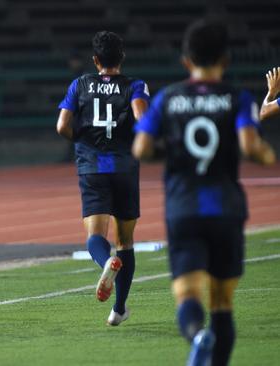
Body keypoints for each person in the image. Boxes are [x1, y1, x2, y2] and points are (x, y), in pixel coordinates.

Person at [132, 19, 276, 366]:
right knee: (223, 303)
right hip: (226, 208)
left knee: (187, 293)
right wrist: (265, 152)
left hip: (183, 208)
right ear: (225, 60)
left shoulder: (169, 98)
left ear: (185, 61)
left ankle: (198, 335)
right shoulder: (236, 98)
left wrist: (173, 150)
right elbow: (252, 148)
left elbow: (141, 148)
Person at [56, 31, 149, 326]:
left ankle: (104, 262)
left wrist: (82, 141)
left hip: (92, 165)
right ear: (121, 57)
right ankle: (119, 308)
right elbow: (141, 118)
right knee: (126, 240)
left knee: (96, 235)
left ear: (95, 60)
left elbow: (62, 126)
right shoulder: (135, 84)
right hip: (124, 165)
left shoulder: (79, 84)